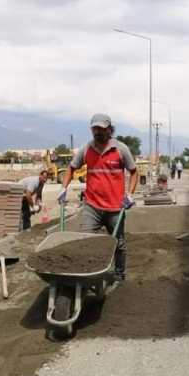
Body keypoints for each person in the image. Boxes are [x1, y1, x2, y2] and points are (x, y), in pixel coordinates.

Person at [58, 114, 139, 280]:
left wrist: (130, 194)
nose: (97, 132)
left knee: (118, 243)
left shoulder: (120, 149)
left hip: (115, 207)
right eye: (95, 129)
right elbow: (71, 168)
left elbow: (134, 172)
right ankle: (87, 274)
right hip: (92, 206)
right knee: (85, 240)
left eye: (101, 129)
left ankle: (119, 274)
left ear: (109, 129)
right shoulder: (87, 149)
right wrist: (63, 188)